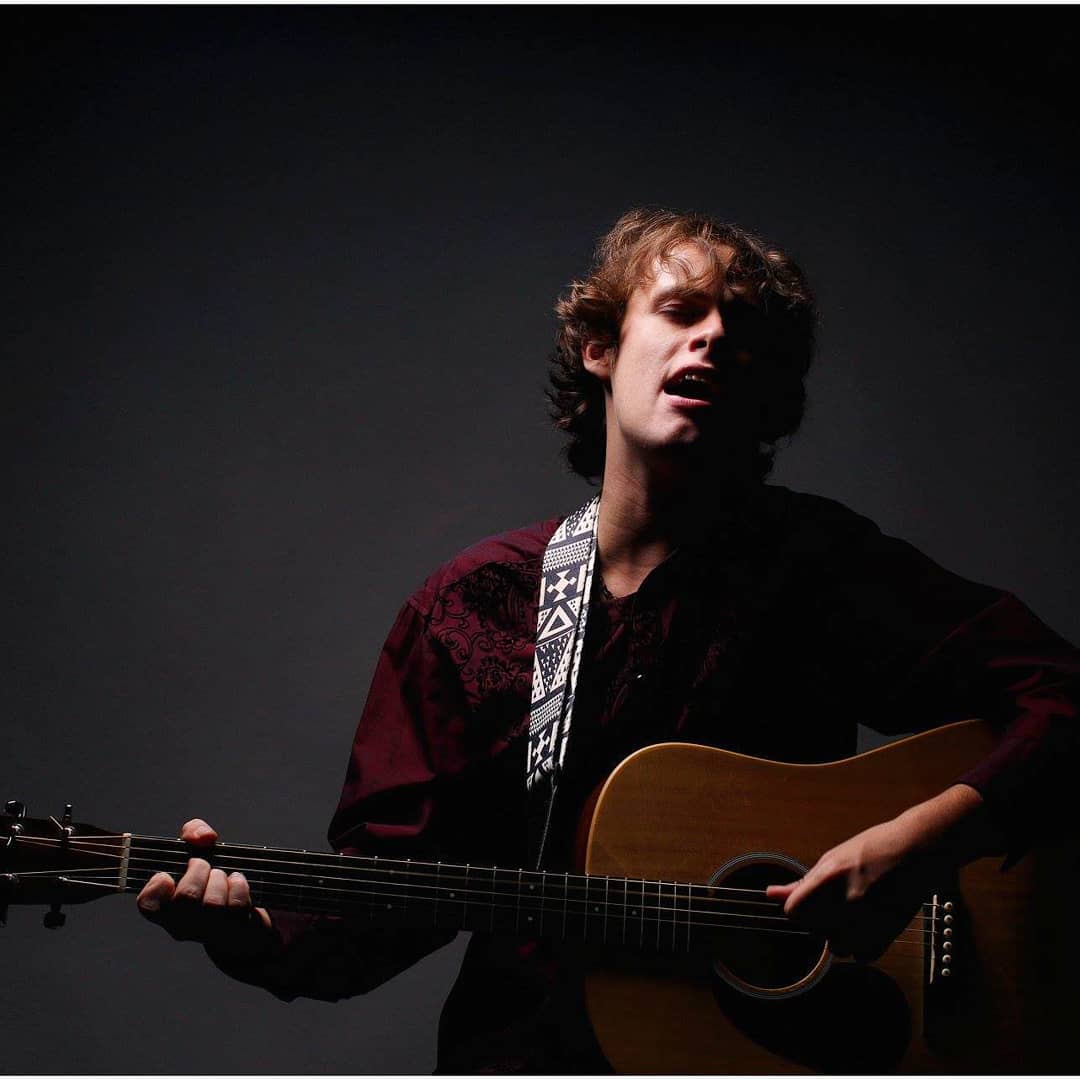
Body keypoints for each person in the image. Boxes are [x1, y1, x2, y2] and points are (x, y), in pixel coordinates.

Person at [136, 208, 1079, 1073]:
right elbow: (391, 901)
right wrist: (252, 931)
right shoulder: (473, 609)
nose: (713, 336)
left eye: (744, 332)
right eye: (681, 309)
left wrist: (922, 840)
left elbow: (1064, 702)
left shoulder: (823, 568)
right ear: (599, 346)